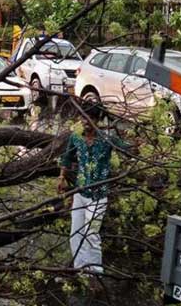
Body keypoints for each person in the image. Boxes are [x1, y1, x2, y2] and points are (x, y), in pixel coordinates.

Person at [58, 106, 128, 275]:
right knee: (75, 233)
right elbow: (66, 158)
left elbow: (127, 149)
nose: (85, 122)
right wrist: (61, 177)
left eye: (89, 118)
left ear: (97, 121)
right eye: (82, 118)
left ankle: (96, 271)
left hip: (99, 197)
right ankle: (80, 269)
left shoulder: (106, 139)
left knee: (92, 233)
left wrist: (136, 145)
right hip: (80, 194)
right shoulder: (76, 138)